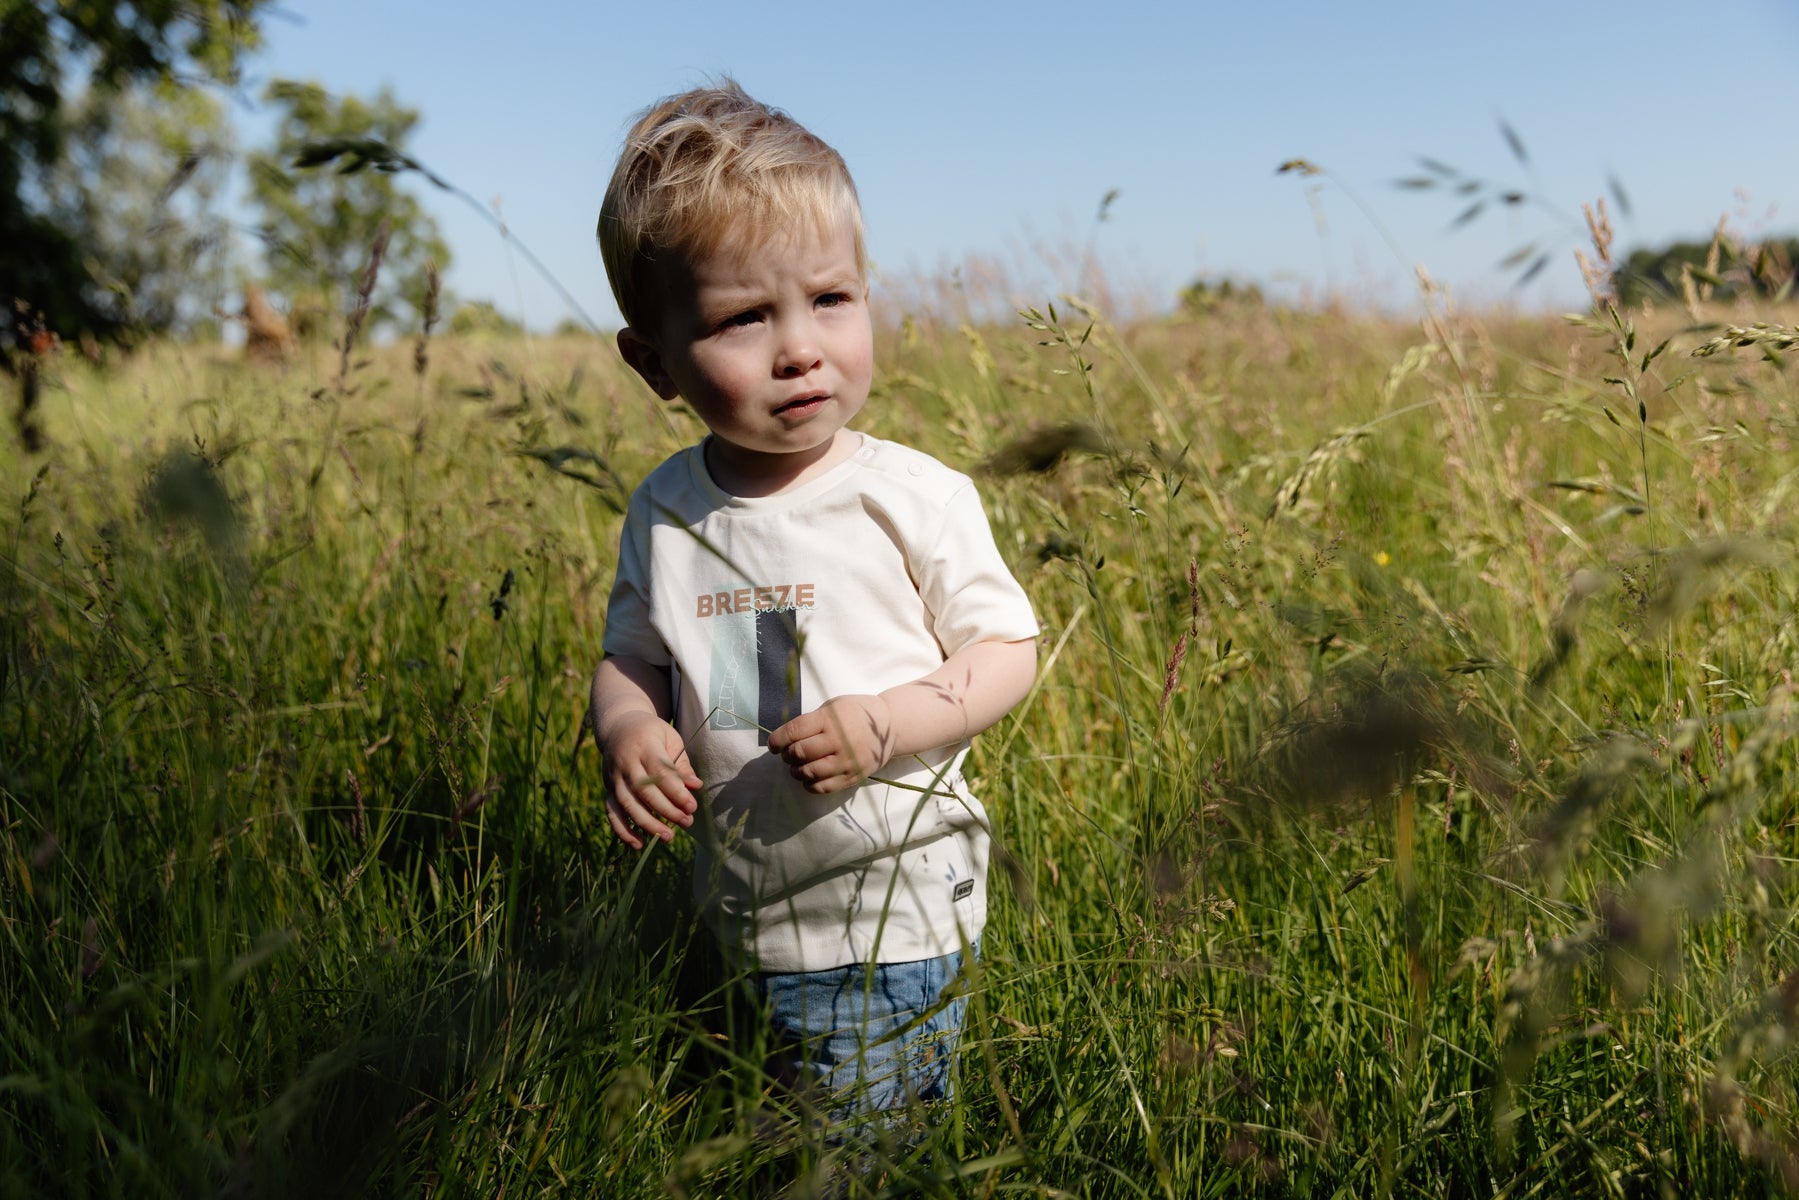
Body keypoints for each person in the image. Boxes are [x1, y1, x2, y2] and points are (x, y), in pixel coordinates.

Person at [590, 79, 1038, 1120]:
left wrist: (885, 724)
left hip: (890, 907)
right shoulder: (667, 509)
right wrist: (625, 728)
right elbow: (634, 658)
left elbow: (1004, 648)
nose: (800, 347)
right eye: (744, 318)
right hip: (745, 909)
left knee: (846, 1147)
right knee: (780, 1105)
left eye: (829, 299)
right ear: (653, 362)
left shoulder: (909, 495)